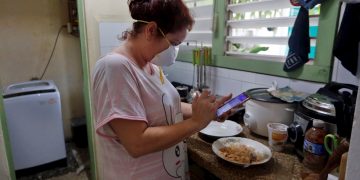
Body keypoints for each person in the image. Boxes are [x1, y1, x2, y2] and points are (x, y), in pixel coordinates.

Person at [91, 0, 232, 179]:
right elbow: (137, 143)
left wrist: (210, 112)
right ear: (150, 30)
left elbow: (169, 105)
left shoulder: (152, 68)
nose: (174, 50)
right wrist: (196, 123)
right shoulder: (114, 67)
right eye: (173, 42)